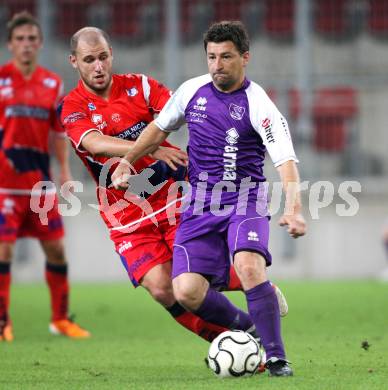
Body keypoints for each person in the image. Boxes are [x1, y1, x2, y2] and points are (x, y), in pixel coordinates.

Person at [60, 27, 288, 346]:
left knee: (196, 277)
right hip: (126, 215)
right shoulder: (72, 106)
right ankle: (238, 336)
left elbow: (184, 109)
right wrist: (149, 149)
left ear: (111, 54)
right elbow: (95, 144)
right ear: (74, 62)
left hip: (173, 197)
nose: (98, 67)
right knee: (162, 289)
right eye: (88, 60)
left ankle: (255, 292)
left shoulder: (141, 86)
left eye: (102, 58)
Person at [111, 21, 307, 377]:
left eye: (226, 57)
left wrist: (294, 210)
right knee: (185, 291)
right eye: (211, 57)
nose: (217, 65)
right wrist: (127, 160)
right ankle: (250, 328)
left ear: (245, 58)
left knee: (248, 266)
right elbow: (158, 129)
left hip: (245, 199)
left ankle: (277, 357)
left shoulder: (258, 103)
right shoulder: (191, 91)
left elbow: (285, 160)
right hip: (200, 202)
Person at [0, 12, 90, 341]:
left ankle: (60, 319)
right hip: (4, 185)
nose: (26, 45)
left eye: (31, 39)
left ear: (39, 43)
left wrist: (65, 171)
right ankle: (2, 323)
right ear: (11, 44)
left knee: (56, 252)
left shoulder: (52, 83)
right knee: (3, 253)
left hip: (40, 187)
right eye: (20, 39)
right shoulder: (1, 79)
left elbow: (58, 132)